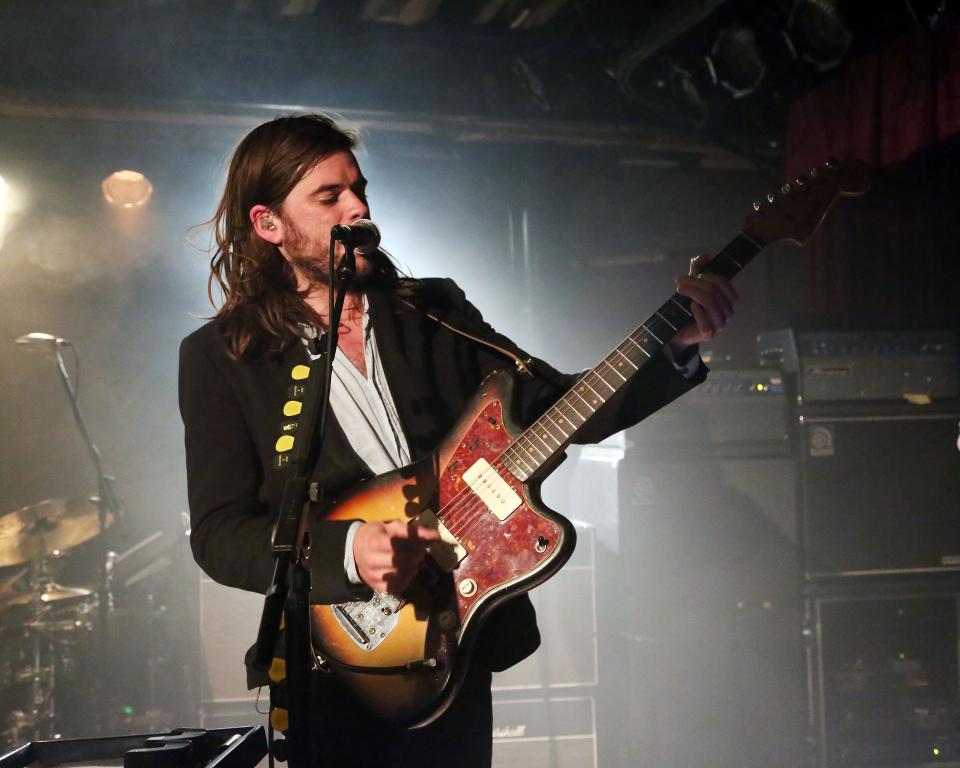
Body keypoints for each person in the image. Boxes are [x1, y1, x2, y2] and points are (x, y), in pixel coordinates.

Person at [178, 113, 737, 767]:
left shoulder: (431, 309)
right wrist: (351, 548)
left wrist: (671, 349)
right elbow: (218, 532)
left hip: (454, 640)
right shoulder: (223, 356)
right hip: (330, 663)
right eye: (329, 197)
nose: (358, 207)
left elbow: (556, 406)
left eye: (358, 189)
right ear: (268, 224)